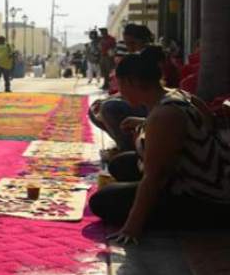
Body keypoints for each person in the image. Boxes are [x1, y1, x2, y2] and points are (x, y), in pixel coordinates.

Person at [89, 47, 230, 242]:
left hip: (206, 197)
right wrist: (143, 123)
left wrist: (132, 227)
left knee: (103, 201)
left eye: (120, 85)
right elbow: (202, 125)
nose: (120, 92)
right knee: (120, 164)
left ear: (130, 82)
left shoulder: (165, 115)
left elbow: (155, 177)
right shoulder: (178, 95)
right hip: (192, 174)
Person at [89, 23, 154, 152]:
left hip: (151, 105)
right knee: (97, 108)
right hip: (143, 102)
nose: (129, 48)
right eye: (127, 44)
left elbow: (148, 91)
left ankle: (127, 149)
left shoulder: (150, 58)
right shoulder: (135, 58)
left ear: (144, 41)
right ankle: (125, 143)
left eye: (133, 44)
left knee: (109, 107)